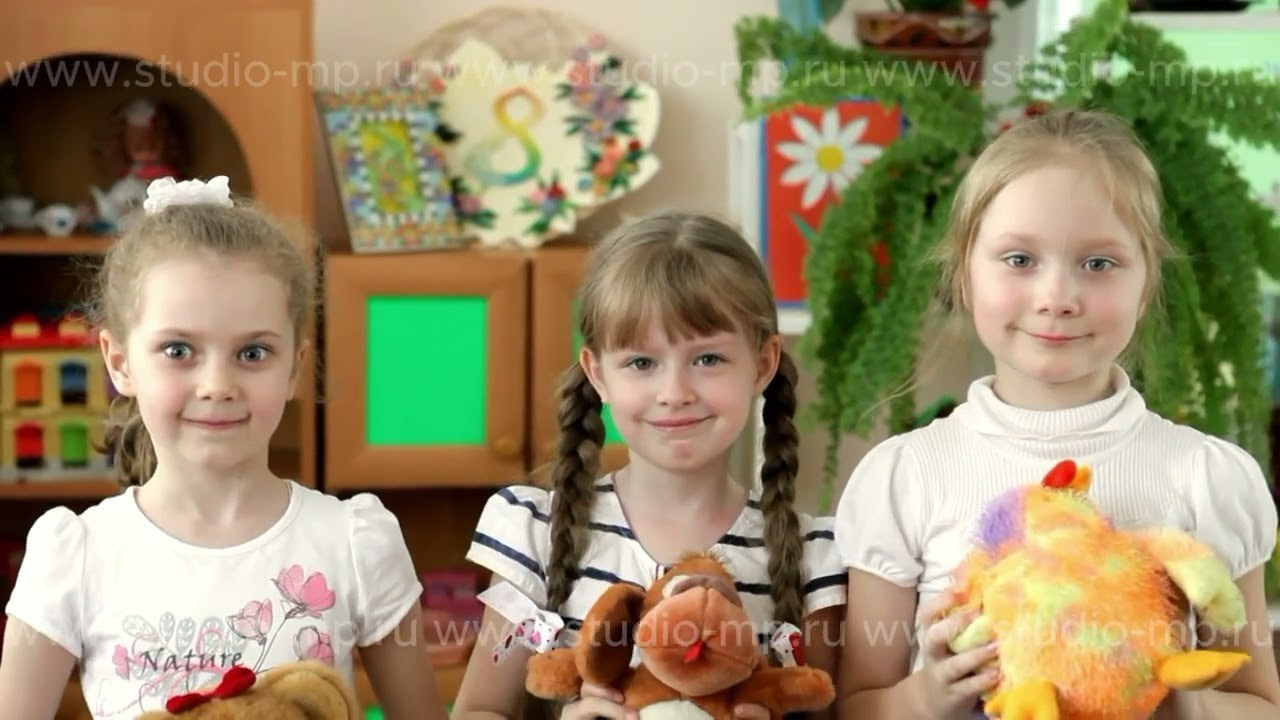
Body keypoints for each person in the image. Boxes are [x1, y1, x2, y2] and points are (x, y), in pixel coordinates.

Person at [835, 108, 1280, 719]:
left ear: (1147, 283)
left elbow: (1260, 705)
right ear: (964, 274)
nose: (1058, 299)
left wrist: (1180, 700)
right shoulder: (905, 476)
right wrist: (927, 695)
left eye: (1099, 264)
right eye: (1019, 260)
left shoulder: (1207, 476)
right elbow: (854, 708)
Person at [0, 177, 444, 720]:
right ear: (119, 362)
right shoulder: (75, 555)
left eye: (253, 352)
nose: (217, 384)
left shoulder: (355, 543)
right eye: (178, 349)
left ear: (295, 367)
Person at [450, 212, 847, 720]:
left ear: (763, 364)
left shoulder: (814, 561)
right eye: (642, 362)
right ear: (598, 373)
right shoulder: (536, 533)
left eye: (708, 359)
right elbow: (478, 711)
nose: (675, 393)